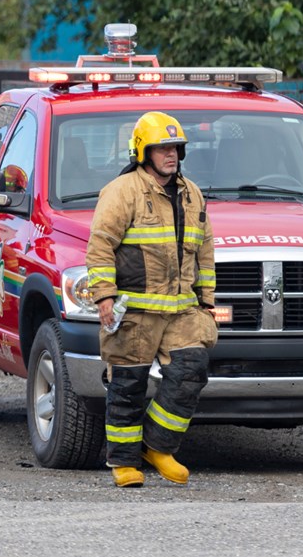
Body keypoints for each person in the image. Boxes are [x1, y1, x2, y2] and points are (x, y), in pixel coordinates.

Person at [84, 111, 217, 488]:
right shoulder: (122, 191)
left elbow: (203, 250)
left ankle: (157, 446)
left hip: (180, 310)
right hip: (134, 311)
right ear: (143, 152)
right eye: (162, 148)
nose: (171, 155)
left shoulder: (192, 193)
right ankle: (124, 462)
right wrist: (104, 296)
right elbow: (100, 247)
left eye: (176, 148)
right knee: (127, 385)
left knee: (192, 369)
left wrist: (206, 299)